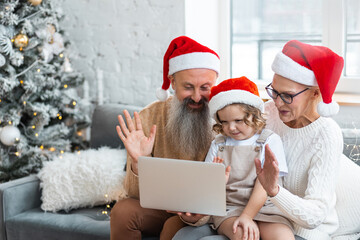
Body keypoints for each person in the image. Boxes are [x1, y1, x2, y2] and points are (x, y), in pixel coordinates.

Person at [173, 40, 360, 240]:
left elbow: (314, 216)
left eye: (287, 96)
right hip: (248, 211)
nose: (277, 102)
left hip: (302, 228)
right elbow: (226, 148)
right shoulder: (268, 112)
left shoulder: (327, 134)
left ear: (315, 93)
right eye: (274, 91)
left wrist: (274, 191)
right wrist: (200, 212)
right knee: (185, 235)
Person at [110, 36, 220, 240]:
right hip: (158, 207)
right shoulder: (147, 117)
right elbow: (134, 194)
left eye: (205, 87)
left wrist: (200, 213)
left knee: (172, 227)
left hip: (201, 212)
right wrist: (138, 162)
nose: (197, 97)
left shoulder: (225, 118)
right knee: (122, 211)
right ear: (172, 83)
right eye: (188, 87)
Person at [201, 77, 294, 240]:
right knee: (243, 235)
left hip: (267, 207)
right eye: (224, 122)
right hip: (230, 208)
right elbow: (206, 183)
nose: (231, 128)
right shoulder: (218, 144)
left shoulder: (270, 140)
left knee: (283, 237)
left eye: (238, 120)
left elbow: (265, 185)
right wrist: (216, 183)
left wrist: (247, 215)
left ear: (255, 115)